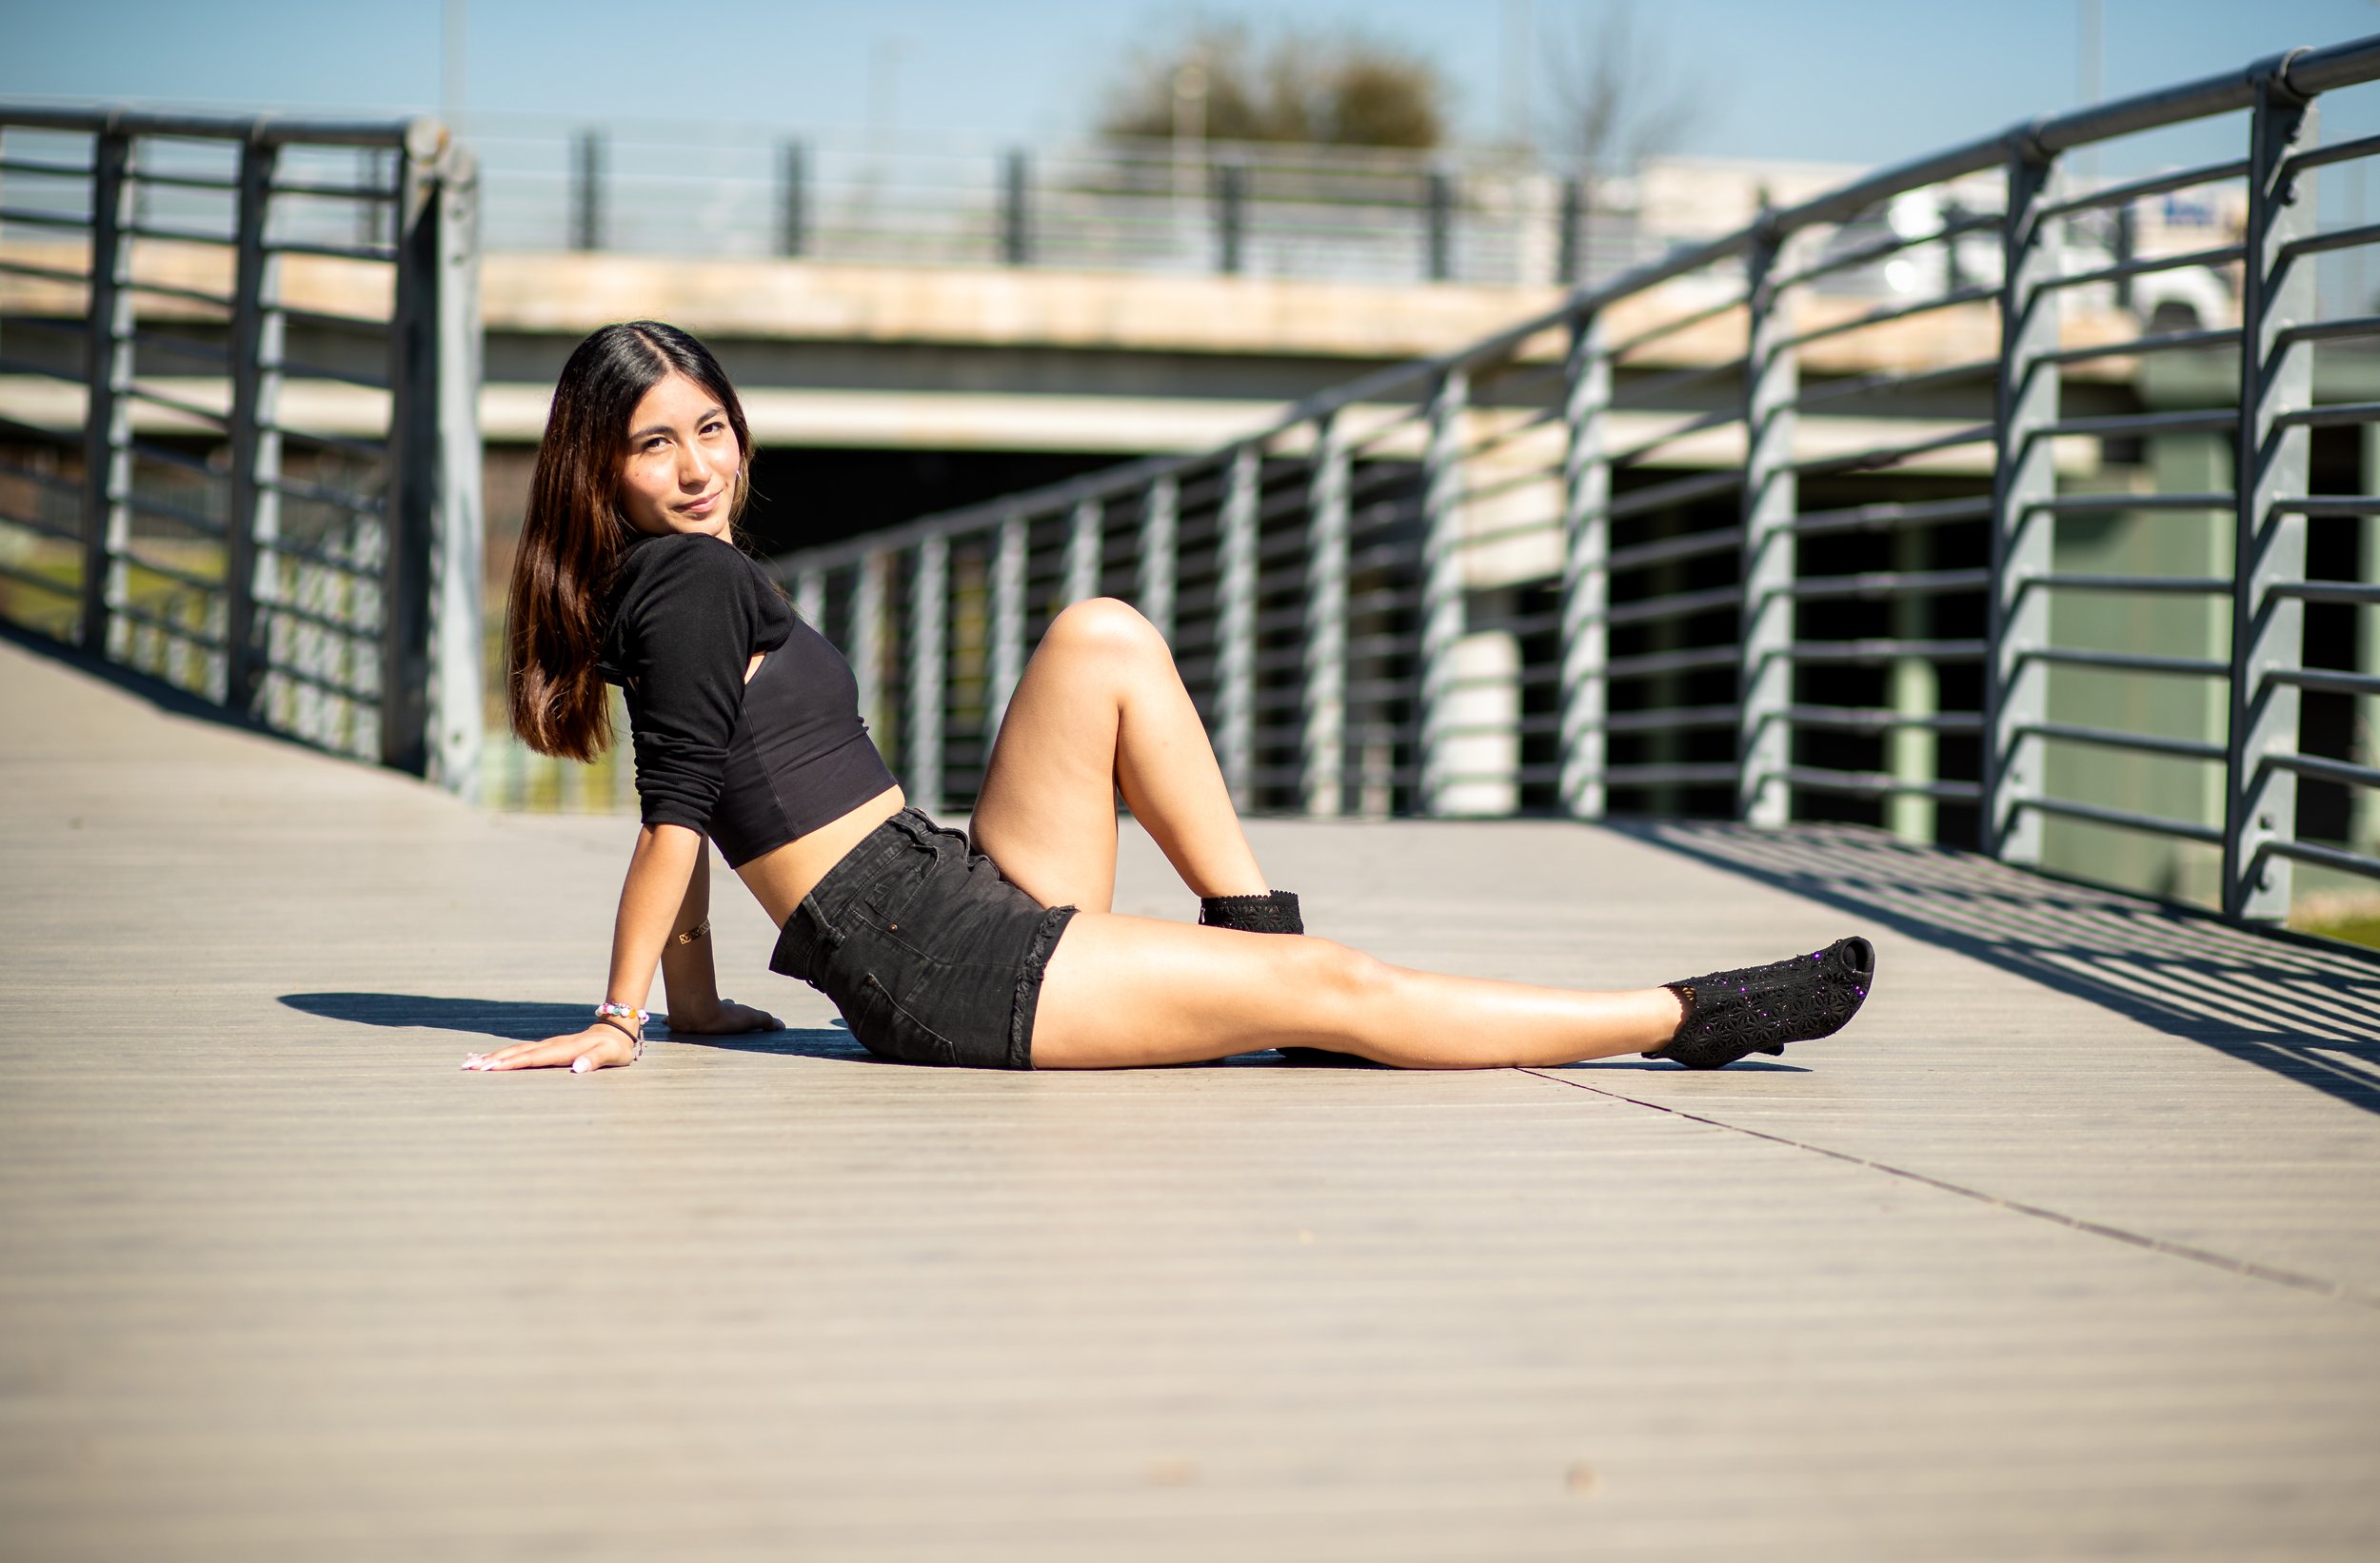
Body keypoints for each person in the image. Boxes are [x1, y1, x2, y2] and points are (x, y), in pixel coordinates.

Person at [464, 322, 1874, 1078]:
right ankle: (1679, 1015)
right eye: (657, 445)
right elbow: (675, 820)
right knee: (1343, 992)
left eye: (711, 426)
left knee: (1102, 639)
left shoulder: (675, 581)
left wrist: (700, 1006)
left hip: (940, 889)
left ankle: (1252, 936)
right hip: (939, 968)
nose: (700, 464)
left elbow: (689, 813)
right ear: (603, 470)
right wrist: (625, 1016)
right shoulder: (691, 587)